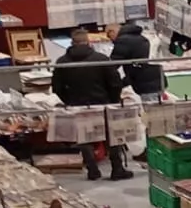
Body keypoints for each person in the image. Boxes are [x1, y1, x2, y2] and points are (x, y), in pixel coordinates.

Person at [51, 27, 131, 181]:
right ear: (88, 42)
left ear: (72, 43)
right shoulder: (101, 59)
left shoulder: (61, 62)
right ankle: (117, 169)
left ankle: (92, 170)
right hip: (103, 103)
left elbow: (57, 87)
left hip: (78, 104)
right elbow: (114, 83)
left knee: (84, 137)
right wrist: (113, 100)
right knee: (112, 136)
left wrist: (69, 100)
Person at [112, 19, 164, 98]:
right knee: (158, 105)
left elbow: (113, 63)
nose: (111, 39)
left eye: (109, 36)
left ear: (112, 31)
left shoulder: (123, 40)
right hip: (156, 78)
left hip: (144, 83)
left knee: (150, 106)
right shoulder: (140, 37)